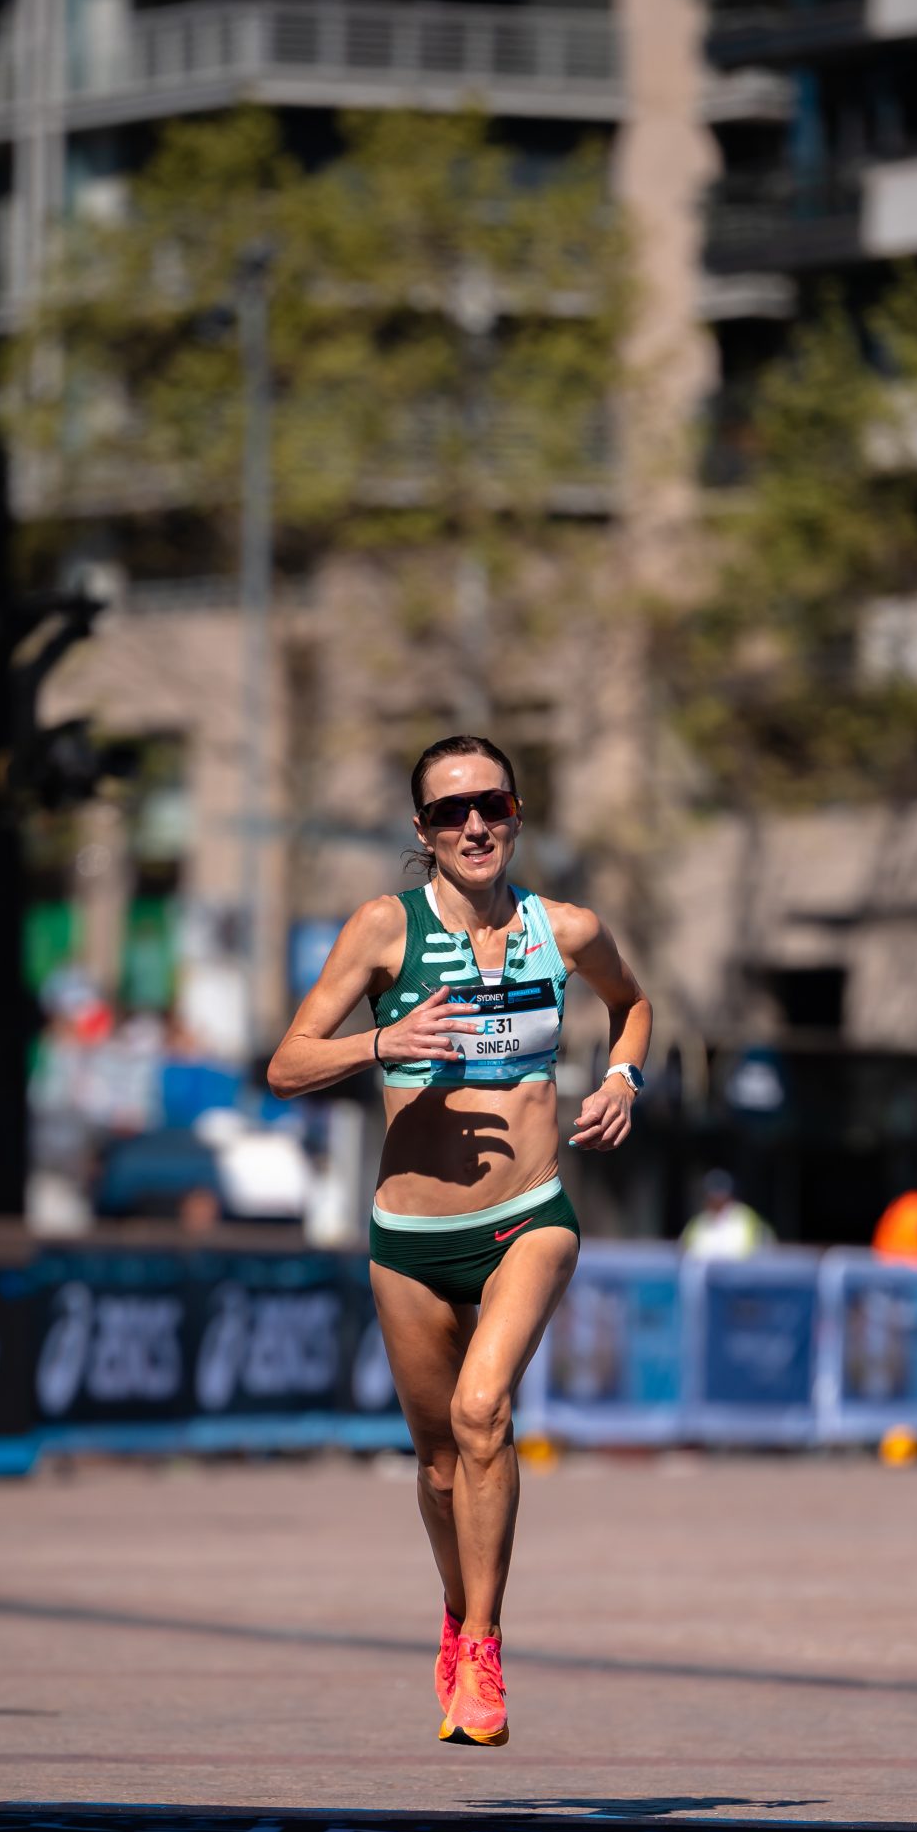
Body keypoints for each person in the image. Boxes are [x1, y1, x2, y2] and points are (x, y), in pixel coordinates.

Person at [267, 732, 651, 1748]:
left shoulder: (564, 930)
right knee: (439, 1464)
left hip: (531, 1215)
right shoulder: (382, 931)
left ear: (518, 812)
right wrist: (384, 1039)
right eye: (449, 812)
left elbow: (635, 1004)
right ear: (422, 832)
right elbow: (286, 1064)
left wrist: (622, 1079)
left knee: (486, 1411)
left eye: (490, 804)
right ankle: (454, 1610)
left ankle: (483, 1644)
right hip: (410, 1235)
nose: (473, 824)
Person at [681, 1168, 771, 1259]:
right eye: (711, 1194)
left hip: (741, 1271)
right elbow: (686, 1249)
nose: (716, 1199)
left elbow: (750, 1252)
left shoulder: (745, 1217)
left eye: (720, 1193)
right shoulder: (698, 1222)